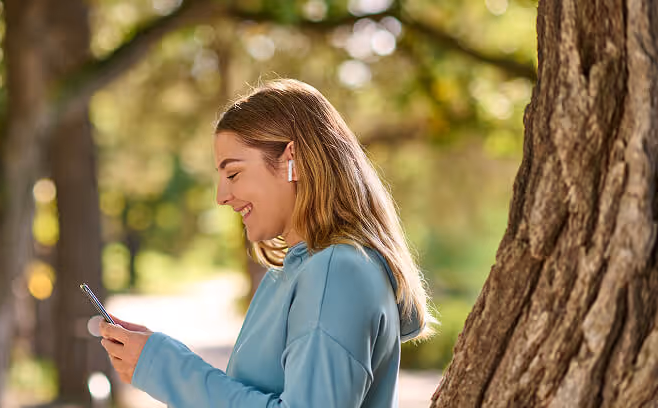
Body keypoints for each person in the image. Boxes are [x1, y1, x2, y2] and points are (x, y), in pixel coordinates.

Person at [99, 78, 436, 407]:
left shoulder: (336, 273)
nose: (222, 196)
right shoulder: (296, 272)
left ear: (296, 159)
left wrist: (167, 368)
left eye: (233, 174)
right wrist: (158, 359)